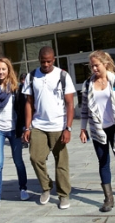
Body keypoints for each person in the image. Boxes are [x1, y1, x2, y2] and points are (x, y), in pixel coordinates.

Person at [79, 51, 115, 212]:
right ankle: (108, 198)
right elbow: (84, 110)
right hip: (98, 129)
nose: (94, 69)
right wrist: (83, 129)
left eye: (96, 65)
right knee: (103, 162)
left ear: (105, 64)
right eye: (92, 66)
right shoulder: (88, 84)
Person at [22, 46, 76, 209]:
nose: (46, 64)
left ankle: (63, 195)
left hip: (59, 125)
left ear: (54, 59)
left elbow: (70, 103)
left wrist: (68, 128)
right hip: (38, 125)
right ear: (39, 59)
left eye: (49, 61)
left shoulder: (62, 75)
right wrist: (27, 127)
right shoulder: (32, 76)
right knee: (35, 158)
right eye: (43, 61)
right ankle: (46, 187)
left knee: (61, 162)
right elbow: (29, 103)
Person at [0, 58, 29, 210]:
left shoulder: (16, 88)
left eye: (3, 69)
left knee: (18, 161)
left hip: (14, 130)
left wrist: (24, 130)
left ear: (9, 70)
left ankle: (23, 188)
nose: (0, 72)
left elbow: (22, 111)